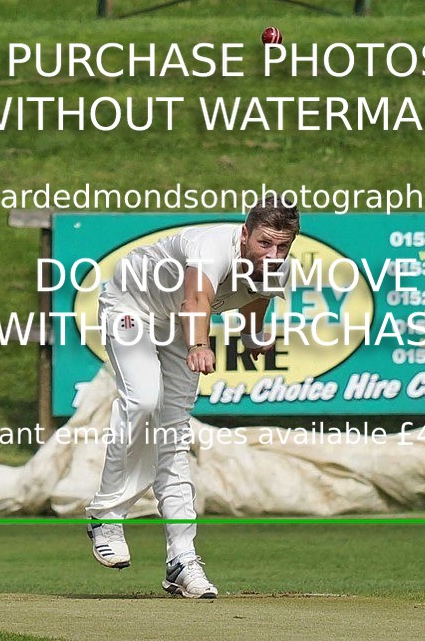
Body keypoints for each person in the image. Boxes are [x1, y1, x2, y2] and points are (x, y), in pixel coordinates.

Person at [86, 195, 299, 598]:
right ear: (244, 234)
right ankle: (106, 516)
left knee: (173, 436)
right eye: (265, 243)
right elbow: (195, 300)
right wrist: (199, 344)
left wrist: (252, 335)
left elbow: (256, 298)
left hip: (178, 325)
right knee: (144, 400)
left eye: (282, 246)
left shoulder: (276, 266)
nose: (273, 254)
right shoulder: (211, 248)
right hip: (131, 305)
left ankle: (182, 559)